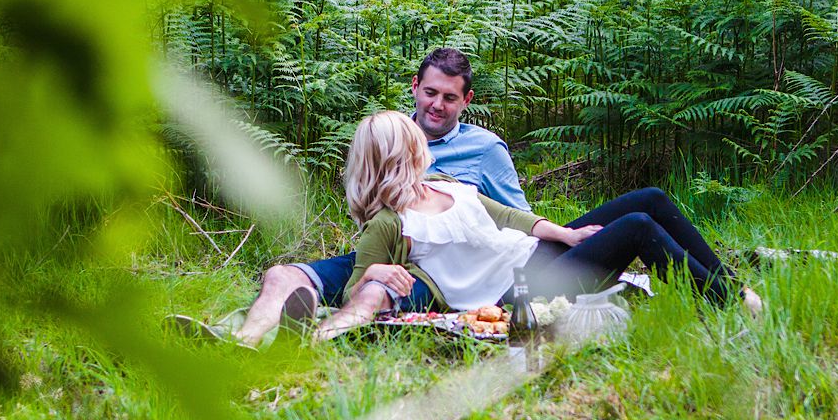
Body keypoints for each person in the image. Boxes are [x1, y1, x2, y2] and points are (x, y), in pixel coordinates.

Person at [312, 111, 757, 340]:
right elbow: (357, 291)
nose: (423, 147)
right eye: (414, 144)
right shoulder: (388, 223)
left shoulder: (442, 183)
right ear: (398, 156)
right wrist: (373, 272)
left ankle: (731, 286)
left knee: (651, 199)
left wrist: (565, 233)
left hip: (536, 255)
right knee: (638, 226)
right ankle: (729, 307)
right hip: (520, 292)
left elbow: (505, 215)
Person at [228, 47, 527, 346]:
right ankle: (240, 341)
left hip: (432, 277)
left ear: (467, 100)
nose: (437, 105)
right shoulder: (386, 133)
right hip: (379, 253)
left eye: (449, 98)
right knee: (281, 275)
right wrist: (374, 265)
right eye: (430, 92)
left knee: (371, 294)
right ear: (415, 87)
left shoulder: (485, 150)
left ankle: (307, 338)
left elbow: (516, 224)